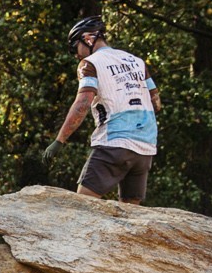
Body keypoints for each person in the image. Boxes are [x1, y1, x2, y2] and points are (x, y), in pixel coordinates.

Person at [43, 16, 161, 204]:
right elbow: (156, 102)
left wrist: (59, 140)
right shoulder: (137, 62)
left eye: (75, 48)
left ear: (88, 39)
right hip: (145, 147)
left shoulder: (90, 64)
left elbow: (82, 103)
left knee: (83, 205)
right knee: (130, 216)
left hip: (114, 143)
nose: (77, 55)